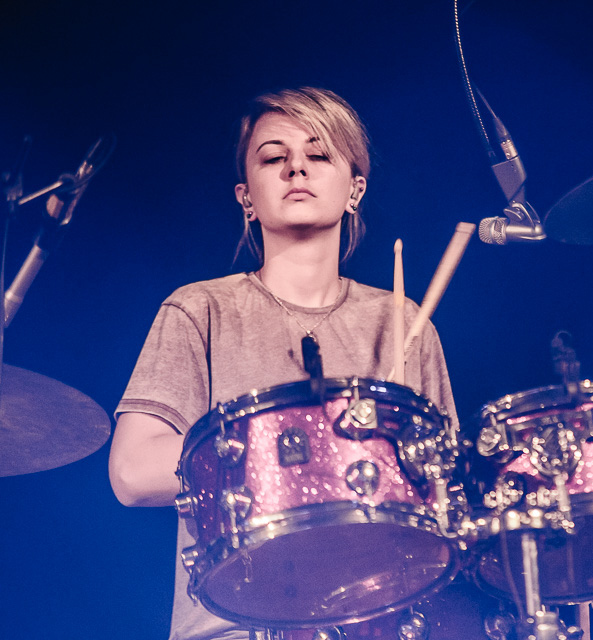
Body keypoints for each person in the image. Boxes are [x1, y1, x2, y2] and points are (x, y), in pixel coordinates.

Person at [108, 87, 458, 640]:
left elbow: (447, 492)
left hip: (378, 621)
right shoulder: (200, 308)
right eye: (274, 158)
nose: (297, 167)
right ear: (246, 197)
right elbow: (131, 473)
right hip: (233, 625)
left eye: (319, 154)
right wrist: (304, 444)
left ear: (356, 189)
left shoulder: (402, 323)